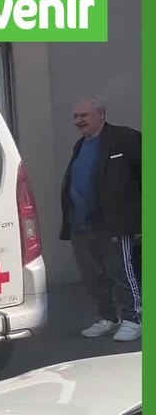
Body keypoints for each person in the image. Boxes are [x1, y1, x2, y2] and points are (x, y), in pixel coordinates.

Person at [59, 96, 142, 342]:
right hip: (81, 224)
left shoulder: (124, 138)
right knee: (93, 277)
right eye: (75, 116)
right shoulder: (80, 145)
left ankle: (133, 319)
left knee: (121, 272)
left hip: (113, 223)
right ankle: (108, 318)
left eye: (83, 115)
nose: (78, 121)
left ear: (101, 115)